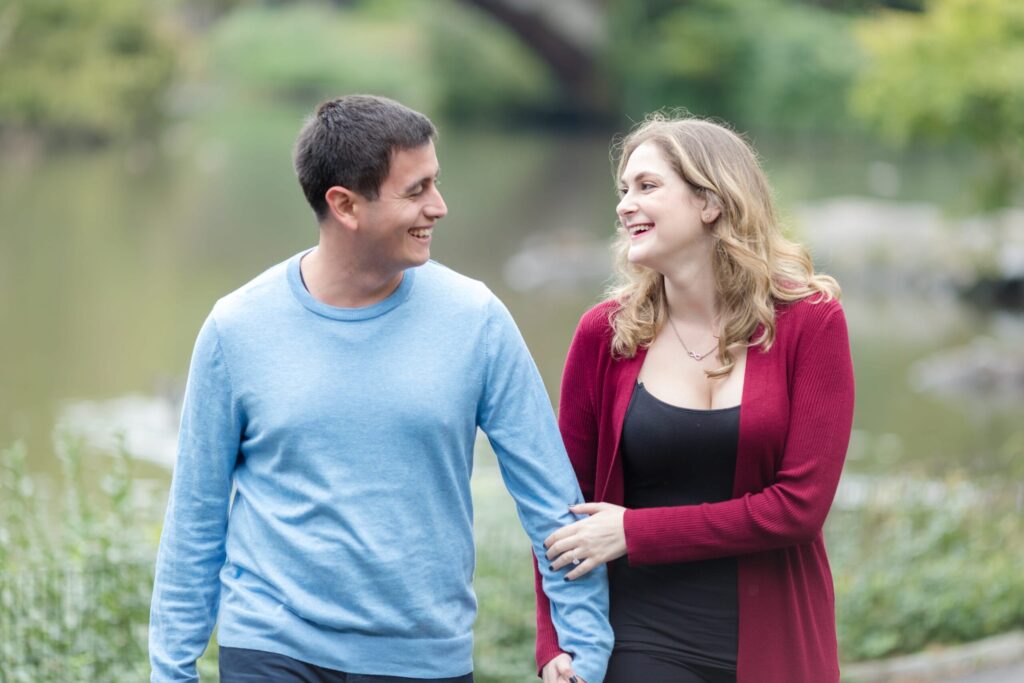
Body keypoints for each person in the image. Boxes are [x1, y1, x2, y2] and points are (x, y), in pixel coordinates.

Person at [149, 94, 612, 683]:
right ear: (344, 205)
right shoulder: (236, 328)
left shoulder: (477, 320)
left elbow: (552, 506)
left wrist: (583, 647)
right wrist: (172, 670)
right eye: (416, 191)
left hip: (422, 660)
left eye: (435, 184)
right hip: (271, 648)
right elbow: (196, 515)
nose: (439, 207)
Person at [534, 114, 855, 683]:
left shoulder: (811, 322)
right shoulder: (604, 334)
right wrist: (554, 639)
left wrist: (635, 532)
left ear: (711, 201)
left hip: (776, 633)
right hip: (638, 635)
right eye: (623, 190)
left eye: (647, 186)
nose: (625, 204)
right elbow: (563, 505)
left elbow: (799, 508)